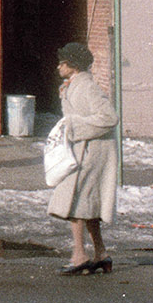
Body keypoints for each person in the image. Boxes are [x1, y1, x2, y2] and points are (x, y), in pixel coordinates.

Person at [49, 41, 118, 275]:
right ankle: (101, 253)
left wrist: (75, 125)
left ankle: (79, 255)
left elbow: (109, 117)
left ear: (73, 65)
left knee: (75, 201)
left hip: (91, 152)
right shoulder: (73, 85)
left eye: (62, 62)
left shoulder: (87, 87)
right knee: (86, 203)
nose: (58, 66)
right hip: (82, 150)